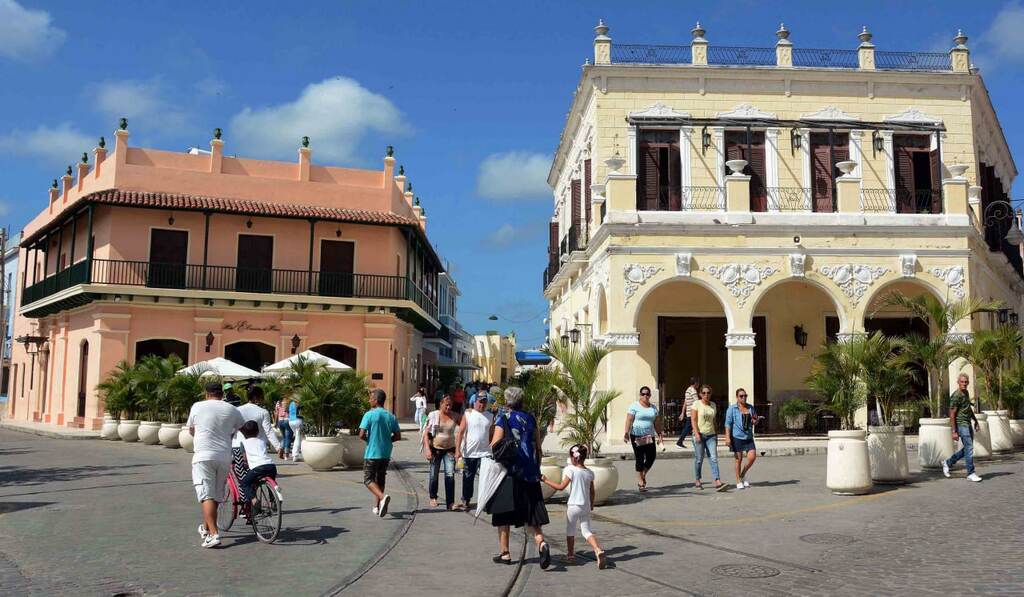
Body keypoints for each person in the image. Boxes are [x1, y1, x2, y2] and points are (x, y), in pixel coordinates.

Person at [489, 386, 551, 569]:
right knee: (532, 515)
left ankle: (505, 553)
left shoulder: (504, 418)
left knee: (504, 514)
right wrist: (536, 469)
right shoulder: (531, 419)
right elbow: (538, 448)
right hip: (530, 474)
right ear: (522, 401)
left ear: (507, 402)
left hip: (510, 475)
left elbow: (495, 446)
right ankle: (542, 543)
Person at [187, 382, 245, 548]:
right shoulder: (232, 409)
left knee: (206, 494)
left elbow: (191, 430)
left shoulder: (197, 406)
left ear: (207, 393)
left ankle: (213, 534)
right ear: (222, 393)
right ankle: (206, 528)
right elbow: (241, 428)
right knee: (216, 494)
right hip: (224, 456)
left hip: (203, 456)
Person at [540, 444, 607, 568]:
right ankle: (598, 549)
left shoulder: (571, 470)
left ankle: (570, 556)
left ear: (575, 458)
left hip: (573, 506)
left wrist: (545, 480)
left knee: (570, 530)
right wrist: (591, 504)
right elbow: (592, 491)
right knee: (586, 531)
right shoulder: (590, 473)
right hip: (585, 506)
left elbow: (561, 487)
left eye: (570, 457)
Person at [359, 389, 401, 516]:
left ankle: (382, 497)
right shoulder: (390, 416)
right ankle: (377, 507)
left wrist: (370, 440)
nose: (369, 400)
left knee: (368, 480)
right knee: (380, 479)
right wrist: (388, 440)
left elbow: (361, 434)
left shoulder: (369, 415)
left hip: (372, 453)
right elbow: (398, 436)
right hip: (386, 452)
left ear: (376, 400)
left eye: (371, 398)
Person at [455, 390, 494, 510]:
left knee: (485, 479)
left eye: (484, 402)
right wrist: (458, 450)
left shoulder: (490, 416)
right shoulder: (468, 414)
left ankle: (485, 501)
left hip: (485, 453)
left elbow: (492, 434)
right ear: (475, 401)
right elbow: (460, 433)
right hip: (469, 453)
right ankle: (466, 500)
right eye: (480, 401)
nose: (481, 404)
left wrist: (492, 448)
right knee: (468, 478)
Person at [943, 373, 983, 482]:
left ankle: (948, 462)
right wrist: (954, 431)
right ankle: (971, 473)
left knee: (967, 449)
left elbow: (968, 409)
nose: (964, 384)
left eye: (966, 382)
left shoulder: (966, 392)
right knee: (969, 448)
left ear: (968, 383)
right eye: (962, 382)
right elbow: (952, 414)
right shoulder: (956, 396)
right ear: (958, 382)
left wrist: (975, 421)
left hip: (968, 423)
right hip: (961, 424)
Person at [623, 386, 663, 492]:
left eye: (647, 394)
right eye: (643, 394)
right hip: (637, 435)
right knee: (640, 458)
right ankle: (640, 482)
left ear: (650, 395)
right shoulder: (634, 406)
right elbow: (629, 420)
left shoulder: (653, 408)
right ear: (640, 395)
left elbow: (656, 422)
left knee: (651, 456)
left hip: (649, 436)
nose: (645, 396)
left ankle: (643, 474)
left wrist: (659, 434)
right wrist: (626, 433)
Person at [423, 395, 459, 509]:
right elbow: (426, 433)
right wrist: (427, 449)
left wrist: (469, 411)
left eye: (450, 405)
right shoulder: (434, 416)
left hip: (450, 450)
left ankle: (450, 503)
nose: (448, 407)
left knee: (450, 475)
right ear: (440, 404)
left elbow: (465, 423)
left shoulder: (455, 416)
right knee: (434, 475)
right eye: (446, 405)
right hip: (435, 449)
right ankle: (433, 497)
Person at [724, 388, 762, 489]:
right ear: (737, 397)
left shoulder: (750, 408)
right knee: (738, 460)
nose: (744, 397)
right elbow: (728, 424)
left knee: (752, 457)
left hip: (748, 436)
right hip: (737, 437)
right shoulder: (732, 409)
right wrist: (727, 438)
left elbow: (754, 419)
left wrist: (755, 421)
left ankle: (742, 474)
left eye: (745, 396)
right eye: (741, 396)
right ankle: (738, 480)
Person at [691, 385, 726, 491]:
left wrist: (716, 434)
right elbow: (693, 419)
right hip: (699, 434)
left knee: (714, 458)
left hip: (711, 435)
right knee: (699, 459)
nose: (706, 395)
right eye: (704, 393)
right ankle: (697, 480)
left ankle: (717, 480)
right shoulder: (696, 404)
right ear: (700, 394)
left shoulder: (713, 405)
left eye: (708, 393)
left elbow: (714, 421)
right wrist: (696, 434)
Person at [237, 421, 277, 507]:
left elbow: (244, 458)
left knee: (245, 483)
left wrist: (245, 464)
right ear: (258, 432)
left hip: (257, 468)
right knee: (271, 480)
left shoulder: (243, 443)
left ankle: (254, 500)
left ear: (243, 433)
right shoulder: (262, 441)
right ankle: (273, 500)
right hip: (271, 466)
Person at [676, 377, 700, 448]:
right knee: (689, 428)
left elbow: (685, 402)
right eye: (698, 383)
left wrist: (682, 413)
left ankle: (695, 440)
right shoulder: (693, 391)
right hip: (693, 412)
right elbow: (697, 402)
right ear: (695, 383)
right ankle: (679, 442)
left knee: (692, 427)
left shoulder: (687, 390)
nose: (699, 384)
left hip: (689, 412)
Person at [288, 396, 303, 462]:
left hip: (290, 421)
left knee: (298, 437)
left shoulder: (291, 403)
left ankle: (297, 454)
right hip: (298, 420)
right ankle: (295, 455)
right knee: (298, 438)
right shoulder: (299, 402)